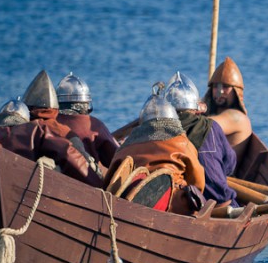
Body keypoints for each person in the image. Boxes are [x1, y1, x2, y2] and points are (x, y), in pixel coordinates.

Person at [105, 83, 205, 214]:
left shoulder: (126, 146)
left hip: (129, 207)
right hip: (176, 206)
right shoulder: (182, 142)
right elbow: (198, 182)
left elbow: (110, 183)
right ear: (172, 119)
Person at [165, 71, 239, 208]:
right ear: (195, 107)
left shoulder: (160, 130)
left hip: (184, 206)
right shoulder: (211, 126)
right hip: (221, 203)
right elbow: (230, 165)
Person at [55, 72, 119, 175]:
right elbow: (115, 160)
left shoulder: (48, 124)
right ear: (86, 103)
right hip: (88, 181)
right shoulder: (94, 125)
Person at [203, 57, 253, 154]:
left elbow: (204, 126)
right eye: (216, 86)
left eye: (225, 87)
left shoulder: (237, 117)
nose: (219, 92)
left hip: (223, 169)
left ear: (235, 92)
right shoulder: (215, 114)